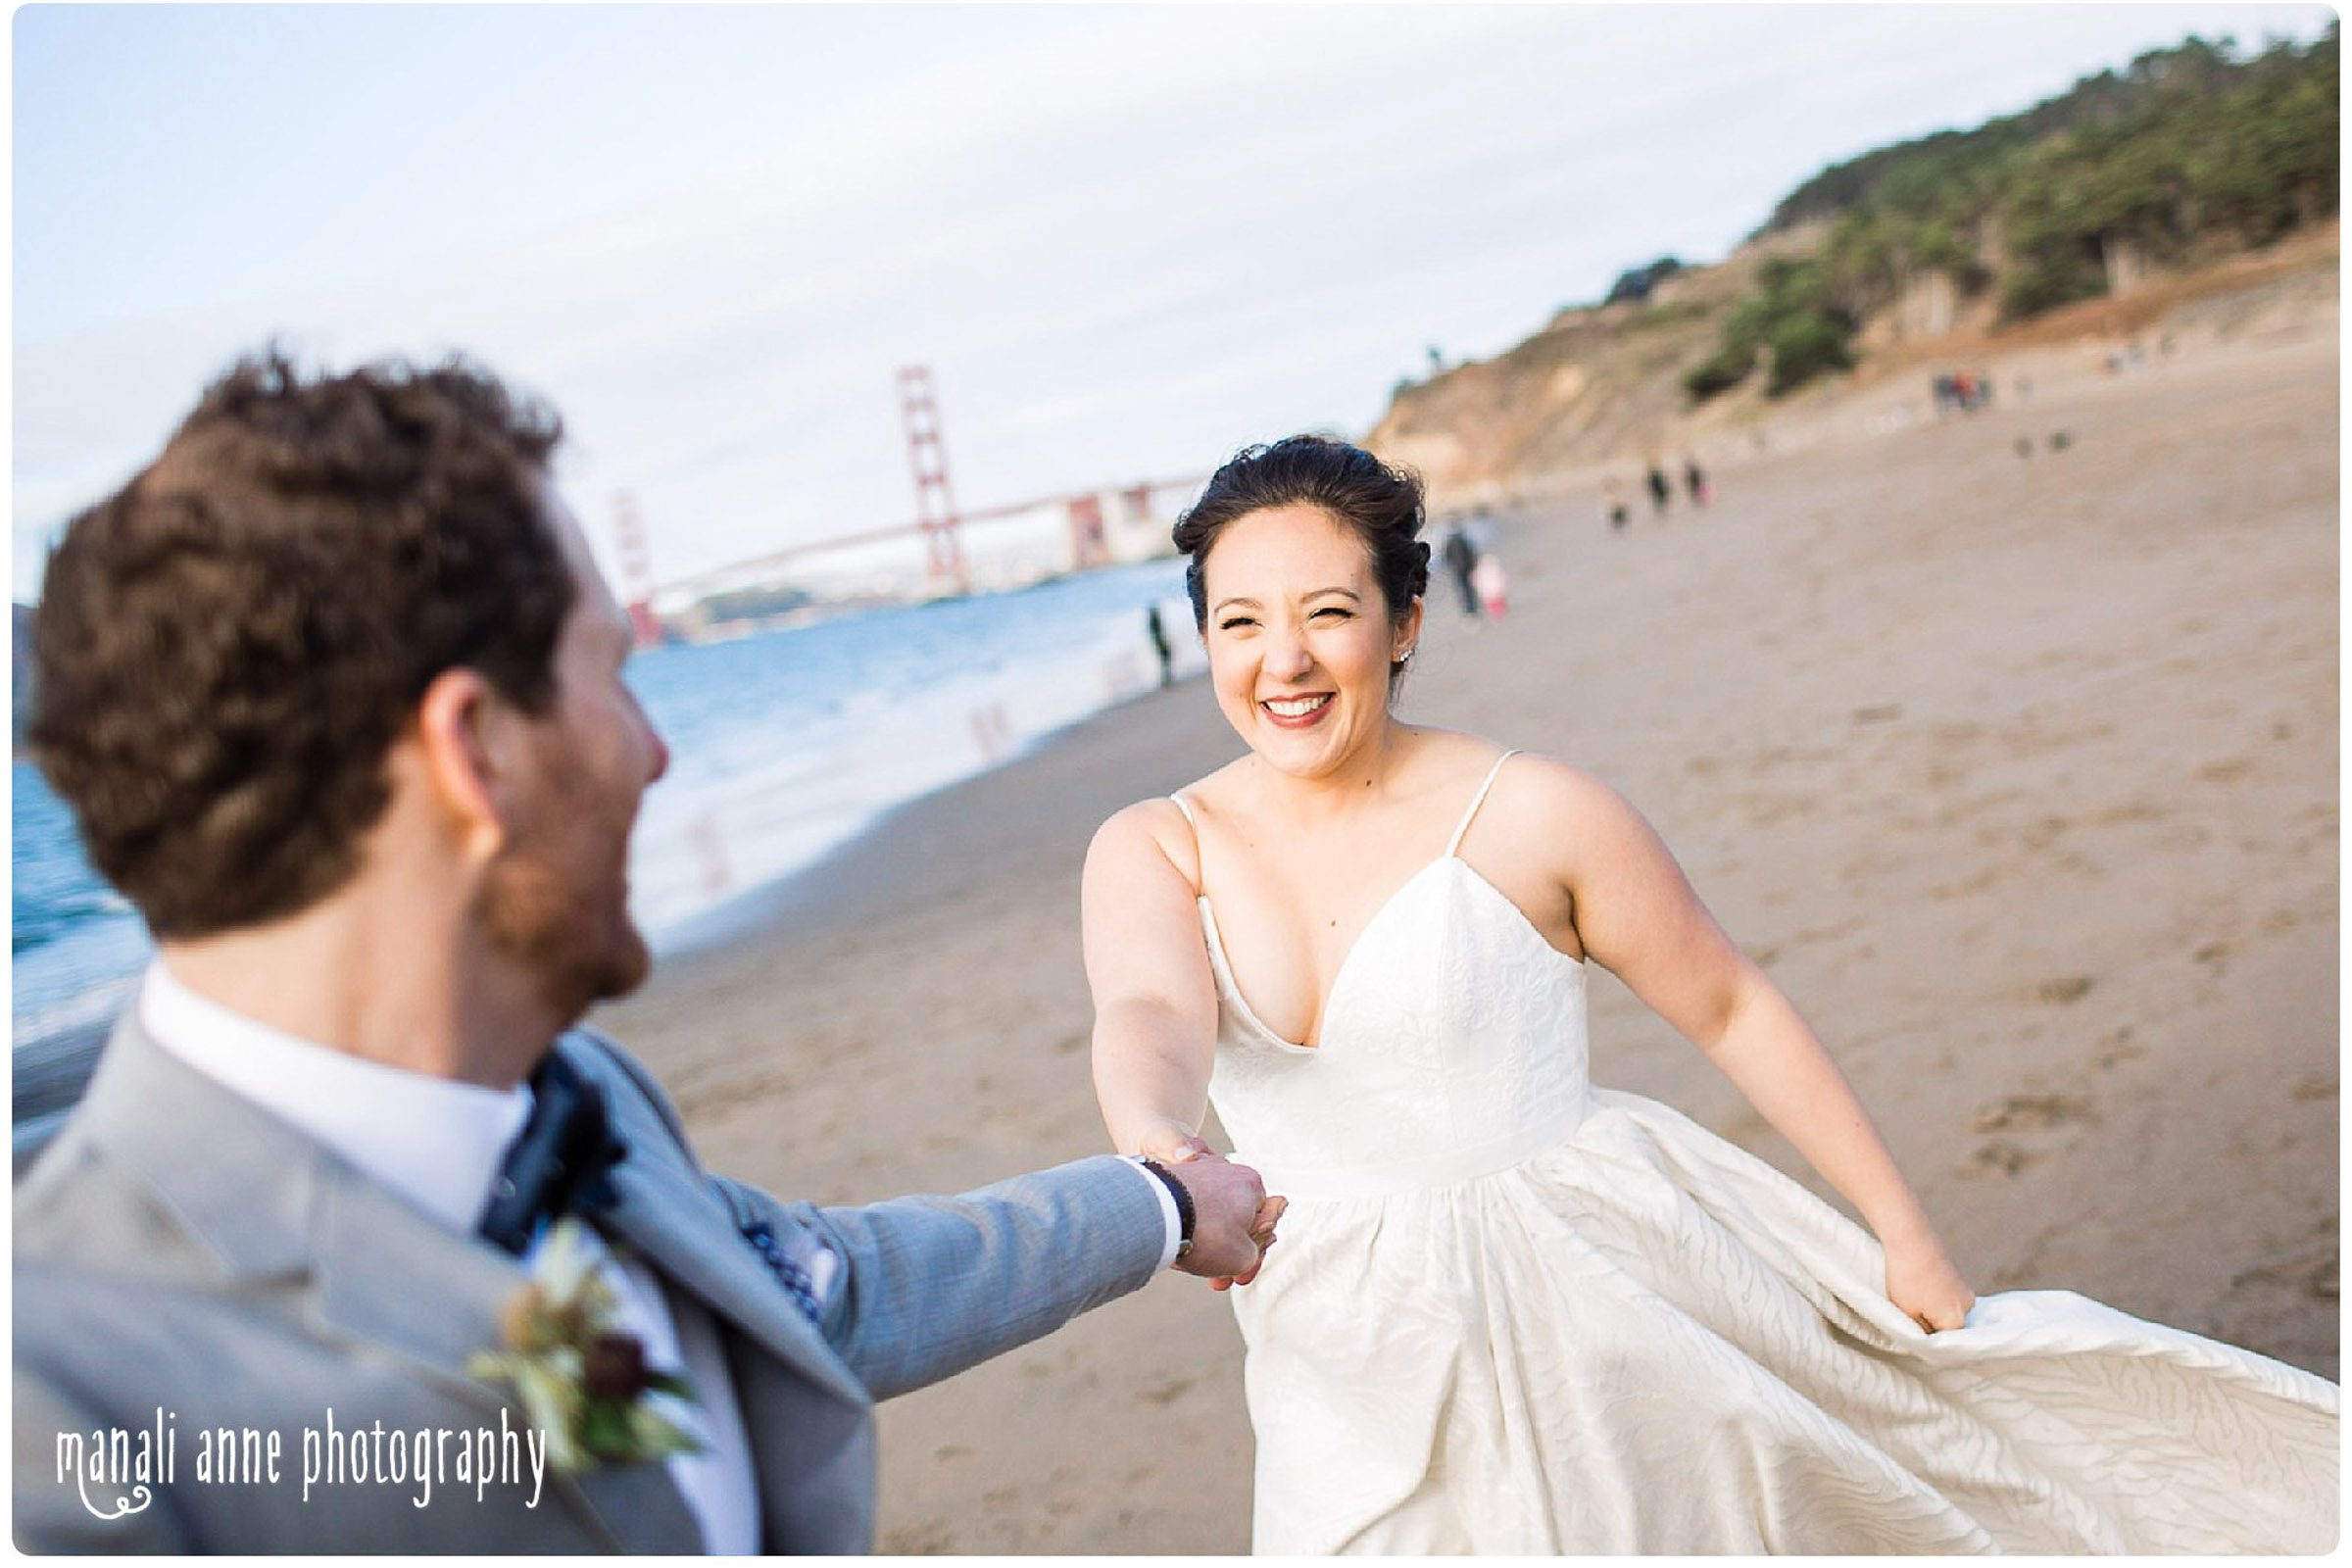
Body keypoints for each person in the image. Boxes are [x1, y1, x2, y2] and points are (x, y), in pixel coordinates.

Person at [12, 353, 1281, 1552]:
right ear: (478, 753)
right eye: (613, 676)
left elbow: (827, 1292)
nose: (655, 752)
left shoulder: (584, 1097)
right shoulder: (62, 1417)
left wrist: (1162, 1206)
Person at [1078, 433, 2337, 1553]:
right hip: (1337, 1339)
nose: (1282, 660)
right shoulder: (1158, 842)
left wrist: (1908, 1238)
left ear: (1405, 622)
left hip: (1597, 1295)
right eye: (1240, 622)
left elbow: (1730, 1004)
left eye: (1327, 613)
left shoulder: (1533, 810)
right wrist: (1159, 1147)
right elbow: (1150, 1014)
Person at [1438, 519, 1478, 616]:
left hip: (1457, 570)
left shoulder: (1449, 542)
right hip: (1466, 569)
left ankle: (1469, 610)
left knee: (1463, 590)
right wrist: (1472, 566)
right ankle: (1472, 609)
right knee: (1468, 589)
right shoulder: (1463, 540)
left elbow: (1445, 557)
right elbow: (1471, 554)